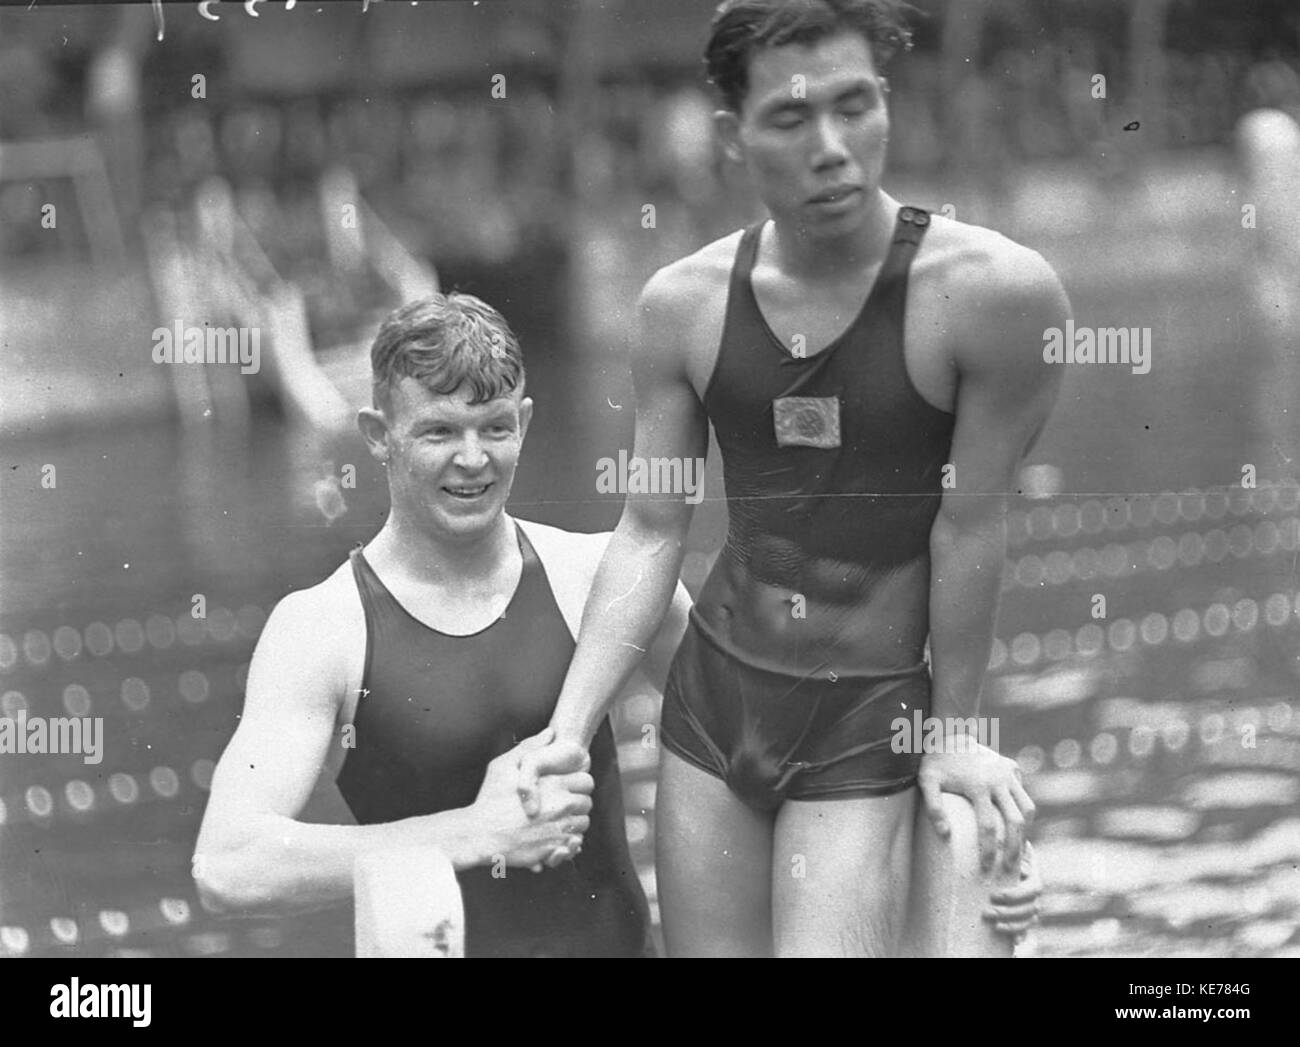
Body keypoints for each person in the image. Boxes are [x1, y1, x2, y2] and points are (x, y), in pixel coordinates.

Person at [522, 0, 1064, 957]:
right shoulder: (683, 305)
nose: (832, 148)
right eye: (790, 117)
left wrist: (953, 732)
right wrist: (568, 725)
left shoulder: (994, 297)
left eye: (855, 107)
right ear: (733, 135)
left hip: (868, 715)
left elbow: (969, 527)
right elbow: (652, 526)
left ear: (886, 101)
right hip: (712, 710)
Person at [192, 293, 690, 957]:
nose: (473, 458)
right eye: (439, 432)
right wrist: (475, 833)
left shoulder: (604, 579)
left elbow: (741, 754)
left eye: (495, 427)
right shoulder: (323, 628)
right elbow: (228, 865)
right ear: (378, 435)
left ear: (525, 422)